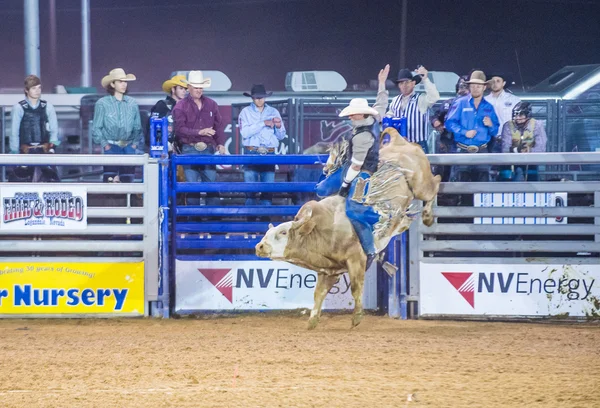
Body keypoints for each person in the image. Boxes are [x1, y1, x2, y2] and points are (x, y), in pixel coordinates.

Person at [172, 70, 226, 205]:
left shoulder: (211, 104)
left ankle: (213, 219)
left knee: (211, 185)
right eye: (196, 87)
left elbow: (218, 125)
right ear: (189, 88)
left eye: (200, 87)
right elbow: (179, 130)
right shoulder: (180, 106)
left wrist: (220, 143)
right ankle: (193, 220)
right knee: (192, 186)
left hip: (207, 148)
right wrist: (200, 132)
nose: (199, 90)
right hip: (189, 148)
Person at [445, 70, 499, 182]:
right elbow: (449, 123)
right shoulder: (460, 103)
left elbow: (495, 131)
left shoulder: (489, 107)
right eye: (473, 86)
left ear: (484, 87)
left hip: (482, 151)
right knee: (463, 188)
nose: (475, 88)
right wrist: (464, 132)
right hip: (463, 150)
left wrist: (491, 125)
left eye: (478, 86)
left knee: (482, 189)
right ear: (469, 87)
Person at [92, 68, 144, 183]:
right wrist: (105, 145)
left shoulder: (132, 103)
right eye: (120, 81)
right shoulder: (102, 104)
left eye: (125, 82)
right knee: (110, 181)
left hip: (129, 146)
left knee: (128, 181)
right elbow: (96, 127)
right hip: (111, 146)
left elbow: (137, 127)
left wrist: (134, 145)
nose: (124, 84)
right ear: (112, 84)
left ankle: (129, 200)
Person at [238, 84, 286, 206]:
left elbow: (281, 136)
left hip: (269, 152)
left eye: (261, 97)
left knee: (268, 190)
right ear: (252, 98)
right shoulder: (245, 112)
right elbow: (244, 132)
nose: (259, 100)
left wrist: (279, 126)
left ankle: (265, 218)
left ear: (265, 97)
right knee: (250, 191)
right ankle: (251, 219)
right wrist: (263, 123)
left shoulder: (273, 112)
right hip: (251, 152)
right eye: (256, 97)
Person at [9, 75, 61, 182]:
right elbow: (14, 132)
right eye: (34, 88)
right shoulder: (18, 108)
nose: (37, 91)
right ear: (26, 90)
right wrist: (14, 152)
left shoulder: (48, 106)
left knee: (52, 178)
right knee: (20, 179)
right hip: (25, 150)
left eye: (39, 88)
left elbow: (54, 129)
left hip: (45, 149)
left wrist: (53, 148)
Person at [385, 66, 440, 153]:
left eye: (407, 82)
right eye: (401, 83)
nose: (404, 85)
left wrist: (425, 79)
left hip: (418, 145)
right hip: (399, 146)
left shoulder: (421, 99)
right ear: (398, 85)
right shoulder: (395, 101)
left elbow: (434, 97)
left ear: (413, 83)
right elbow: (389, 117)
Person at [430, 74, 469, 181]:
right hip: (446, 141)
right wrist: (436, 122)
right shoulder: (449, 103)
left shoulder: (475, 105)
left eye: (466, 88)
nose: (463, 90)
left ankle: (460, 196)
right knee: (442, 172)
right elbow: (434, 116)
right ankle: (442, 196)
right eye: (461, 87)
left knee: (461, 173)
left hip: (466, 144)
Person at [500, 101, 547, 181]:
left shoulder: (537, 125)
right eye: (516, 115)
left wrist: (529, 150)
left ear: (528, 115)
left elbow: (541, 147)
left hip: (531, 160)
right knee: (506, 175)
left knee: (532, 175)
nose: (518, 118)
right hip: (511, 160)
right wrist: (516, 150)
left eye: (521, 115)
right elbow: (505, 148)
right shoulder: (508, 126)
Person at [148, 74, 188, 150]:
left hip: (181, 148)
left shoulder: (186, 108)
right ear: (173, 89)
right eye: (181, 88)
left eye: (185, 89)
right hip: (163, 147)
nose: (184, 91)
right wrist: (163, 143)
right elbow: (152, 127)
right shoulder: (162, 105)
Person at [485, 73, 521, 153]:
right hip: (489, 140)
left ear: (503, 83)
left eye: (498, 81)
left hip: (509, 140)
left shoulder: (514, 100)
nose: (495, 84)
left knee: (508, 164)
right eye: (493, 81)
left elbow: (520, 121)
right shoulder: (484, 101)